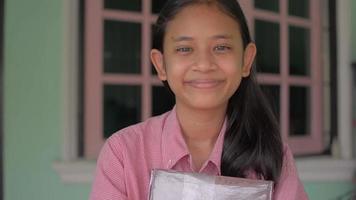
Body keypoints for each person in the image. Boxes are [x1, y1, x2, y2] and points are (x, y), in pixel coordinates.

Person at [90, 0, 308, 199]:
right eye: (184, 49)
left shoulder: (273, 156)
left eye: (221, 47)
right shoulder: (123, 155)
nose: (204, 64)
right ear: (160, 64)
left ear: (246, 60)